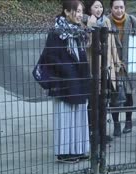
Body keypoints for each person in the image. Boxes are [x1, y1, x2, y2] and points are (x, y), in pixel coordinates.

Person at [44, 0, 91, 163]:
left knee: (79, 115)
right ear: (66, 12)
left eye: (81, 11)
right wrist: (67, 70)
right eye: (76, 11)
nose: (79, 15)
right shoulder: (56, 32)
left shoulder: (79, 31)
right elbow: (50, 57)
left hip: (78, 79)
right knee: (65, 116)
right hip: (63, 82)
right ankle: (64, 153)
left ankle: (78, 149)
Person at [84, 0, 123, 142]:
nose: (99, 9)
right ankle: (93, 133)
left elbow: (112, 44)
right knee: (93, 103)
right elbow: (87, 44)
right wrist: (91, 25)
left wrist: (117, 62)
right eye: (96, 7)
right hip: (93, 70)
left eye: (100, 6)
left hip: (107, 68)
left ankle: (102, 132)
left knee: (103, 102)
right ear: (90, 9)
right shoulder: (85, 22)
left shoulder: (106, 21)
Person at [108, 0, 136, 136]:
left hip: (129, 64)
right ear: (111, 8)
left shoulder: (132, 21)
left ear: (125, 8)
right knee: (114, 95)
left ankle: (128, 121)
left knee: (128, 94)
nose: (119, 10)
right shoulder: (106, 21)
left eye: (121, 7)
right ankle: (116, 124)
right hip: (113, 64)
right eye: (116, 7)